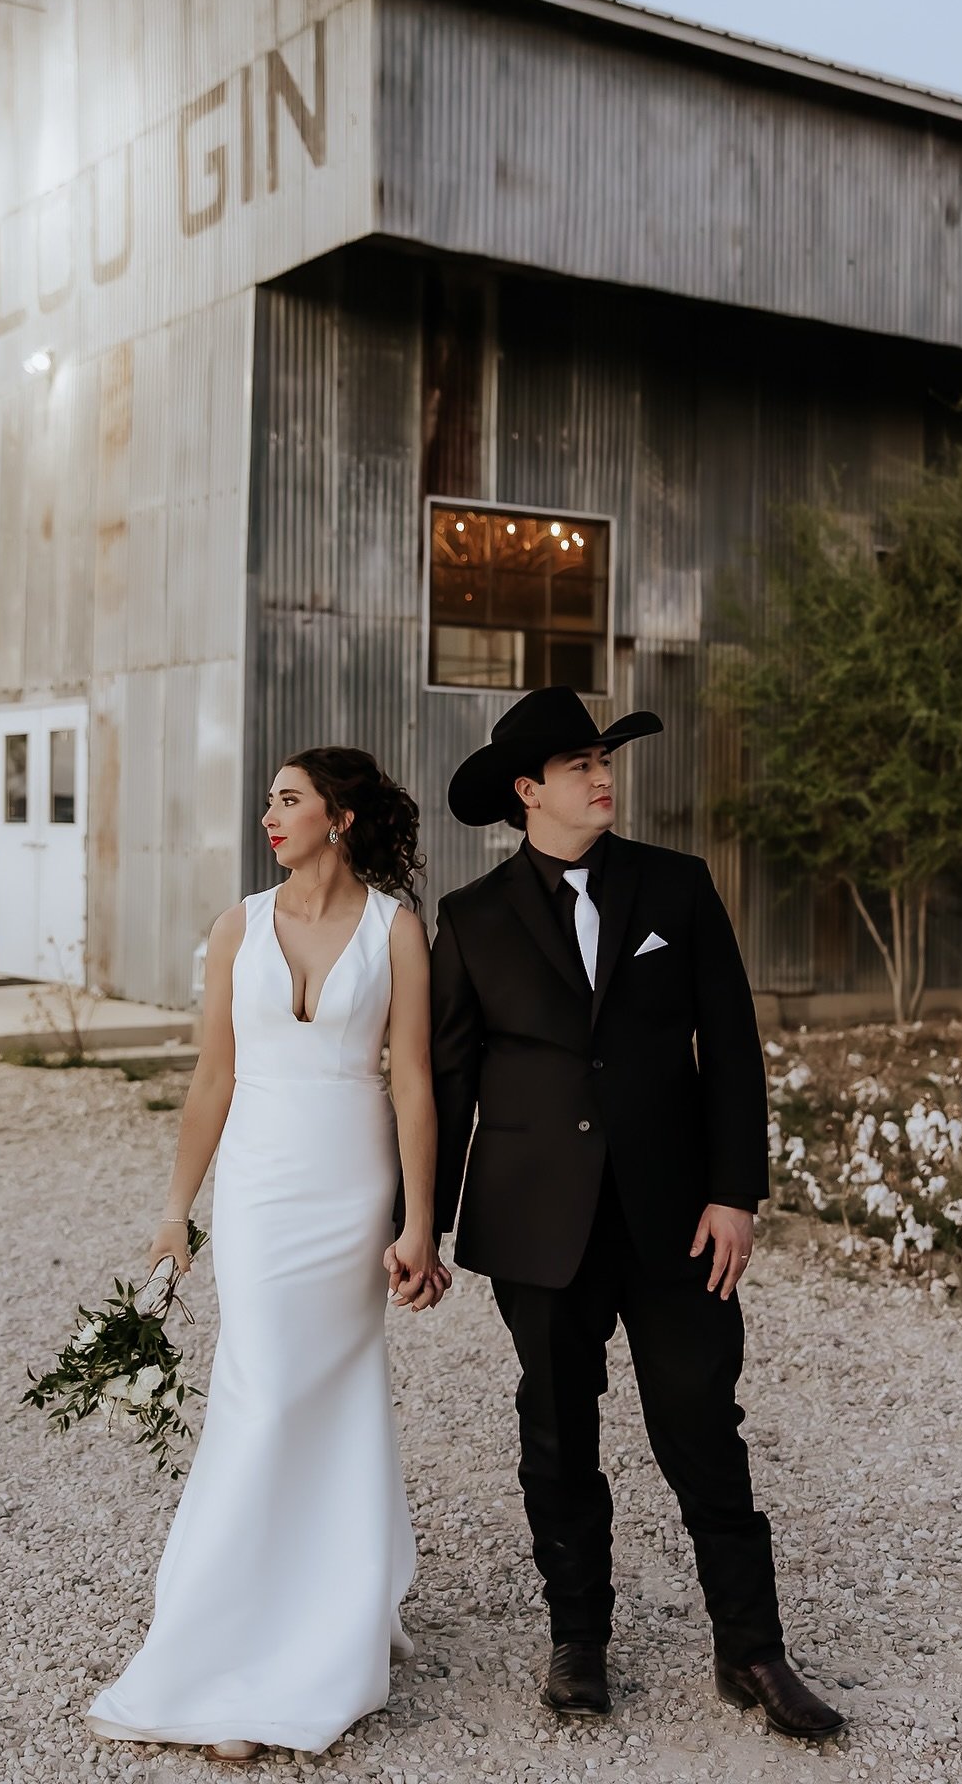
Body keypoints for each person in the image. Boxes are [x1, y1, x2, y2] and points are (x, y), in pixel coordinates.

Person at [430, 686, 844, 1743]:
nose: (602, 776)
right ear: (528, 791)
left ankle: (751, 1651)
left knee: (704, 1427)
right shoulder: (471, 920)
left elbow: (732, 1049)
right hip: (537, 1224)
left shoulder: (678, 886)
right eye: (578, 766)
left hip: (678, 1220)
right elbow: (450, 1081)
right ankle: (579, 1641)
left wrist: (735, 1190)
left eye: (605, 760)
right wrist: (420, 1225)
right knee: (559, 1436)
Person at [86, 747, 450, 1764]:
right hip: (256, 1187)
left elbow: (413, 1083)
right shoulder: (236, 924)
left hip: (350, 1184)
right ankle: (220, 1644)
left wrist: (420, 1225)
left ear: (339, 816)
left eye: (288, 800)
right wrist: (175, 1212)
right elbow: (211, 1078)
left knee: (328, 1391)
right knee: (259, 1389)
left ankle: (326, 1621)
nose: (269, 816)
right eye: (268, 801)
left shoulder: (397, 931)